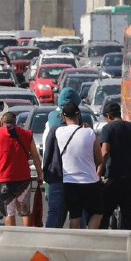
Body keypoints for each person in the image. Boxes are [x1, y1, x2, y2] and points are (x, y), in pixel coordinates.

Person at [0, 111, 43, 227]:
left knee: (9, 213)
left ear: (2, 122)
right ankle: (26, 237)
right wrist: (40, 174)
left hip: (4, 181)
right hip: (23, 180)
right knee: (25, 211)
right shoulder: (26, 134)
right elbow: (36, 157)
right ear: (15, 122)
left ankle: (11, 238)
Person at [98, 101, 131, 239]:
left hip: (113, 179)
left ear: (108, 116)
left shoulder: (108, 129)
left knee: (104, 213)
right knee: (129, 216)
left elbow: (105, 152)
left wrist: (98, 174)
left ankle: (100, 244)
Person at [51, 103, 105, 229]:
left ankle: (77, 244)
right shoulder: (90, 133)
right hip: (90, 181)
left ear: (63, 118)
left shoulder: (59, 132)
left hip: (69, 181)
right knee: (97, 212)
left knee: (75, 216)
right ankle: (89, 237)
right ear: (79, 115)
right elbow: (99, 159)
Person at [43, 86, 84, 228]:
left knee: (54, 214)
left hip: (56, 175)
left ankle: (48, 244)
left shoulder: (51, 123)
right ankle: (81, 246)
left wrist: (45, 174)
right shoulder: (84, 128)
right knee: (79, 215)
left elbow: (47, 152)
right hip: (78, 178)